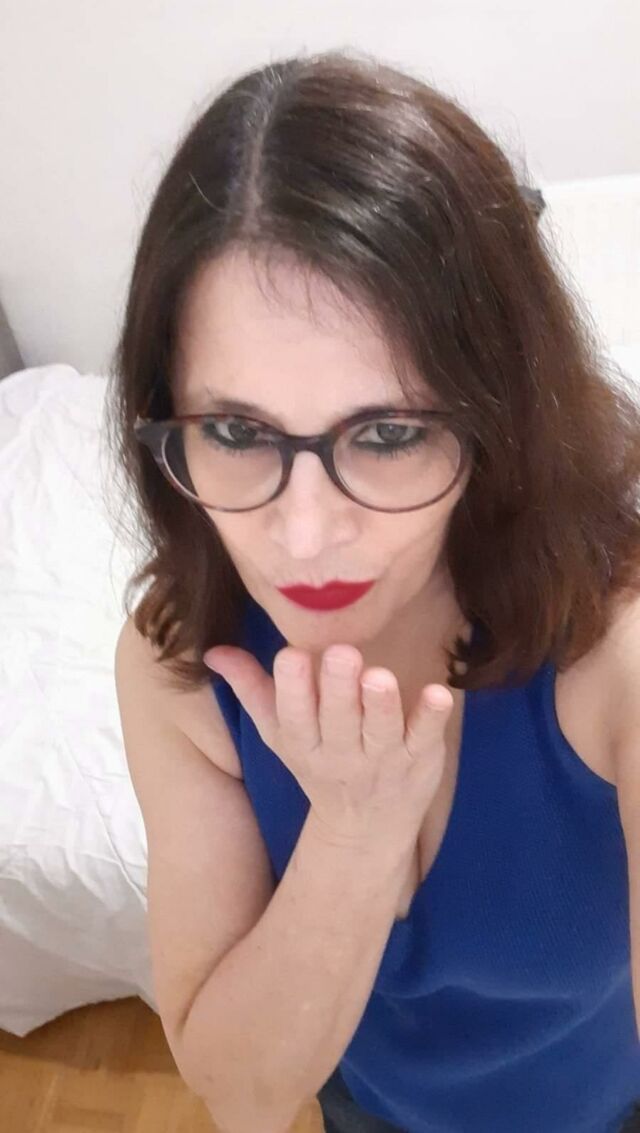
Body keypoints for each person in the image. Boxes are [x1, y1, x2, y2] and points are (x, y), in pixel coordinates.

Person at [108, 48, 640, 1133]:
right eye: (237, 430)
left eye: (389, 433)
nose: (304, 536)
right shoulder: (182, 664)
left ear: (497, 418)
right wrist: (355, 832)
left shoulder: (615, 646)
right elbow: (247, 1097)